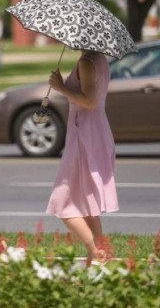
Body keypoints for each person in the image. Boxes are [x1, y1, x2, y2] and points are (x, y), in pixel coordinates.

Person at [45, 49, 119, 266]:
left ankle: (95, 251)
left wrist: (60, 87)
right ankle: (98, 258)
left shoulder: (87, 62)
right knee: (88, 204)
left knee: (63, 203)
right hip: (93, 129)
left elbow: (90, 101)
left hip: (84, 133)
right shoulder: (99, 59)